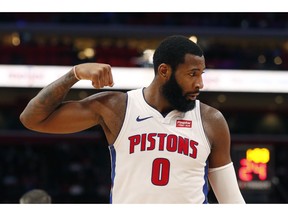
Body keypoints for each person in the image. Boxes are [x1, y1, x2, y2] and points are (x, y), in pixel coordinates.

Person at [20, 35, 245, 204]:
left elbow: (232, 202)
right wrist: (75, 74)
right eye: (192, 74)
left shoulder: (211, 120)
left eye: (201, 74)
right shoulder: (117, 108)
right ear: (164, 71)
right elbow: (32, 119)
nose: (200, 84)